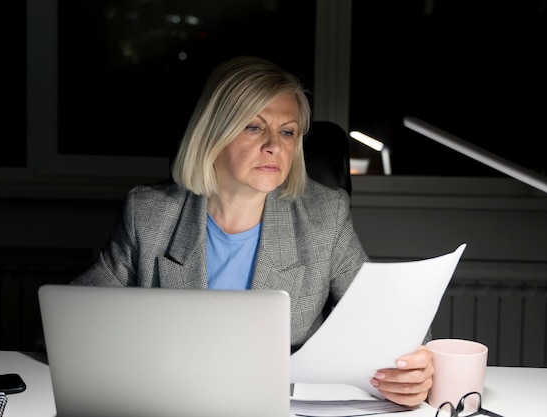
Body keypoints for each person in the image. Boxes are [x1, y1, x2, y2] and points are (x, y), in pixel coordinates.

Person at [71, 55, 433, 407]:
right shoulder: (149, 213)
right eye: (254, 127)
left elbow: (394, 325)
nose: (274, 145)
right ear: (214, 133)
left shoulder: (324, 216)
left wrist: (414, 369)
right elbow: (73, 321)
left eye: (287, 132)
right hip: (173, 399)